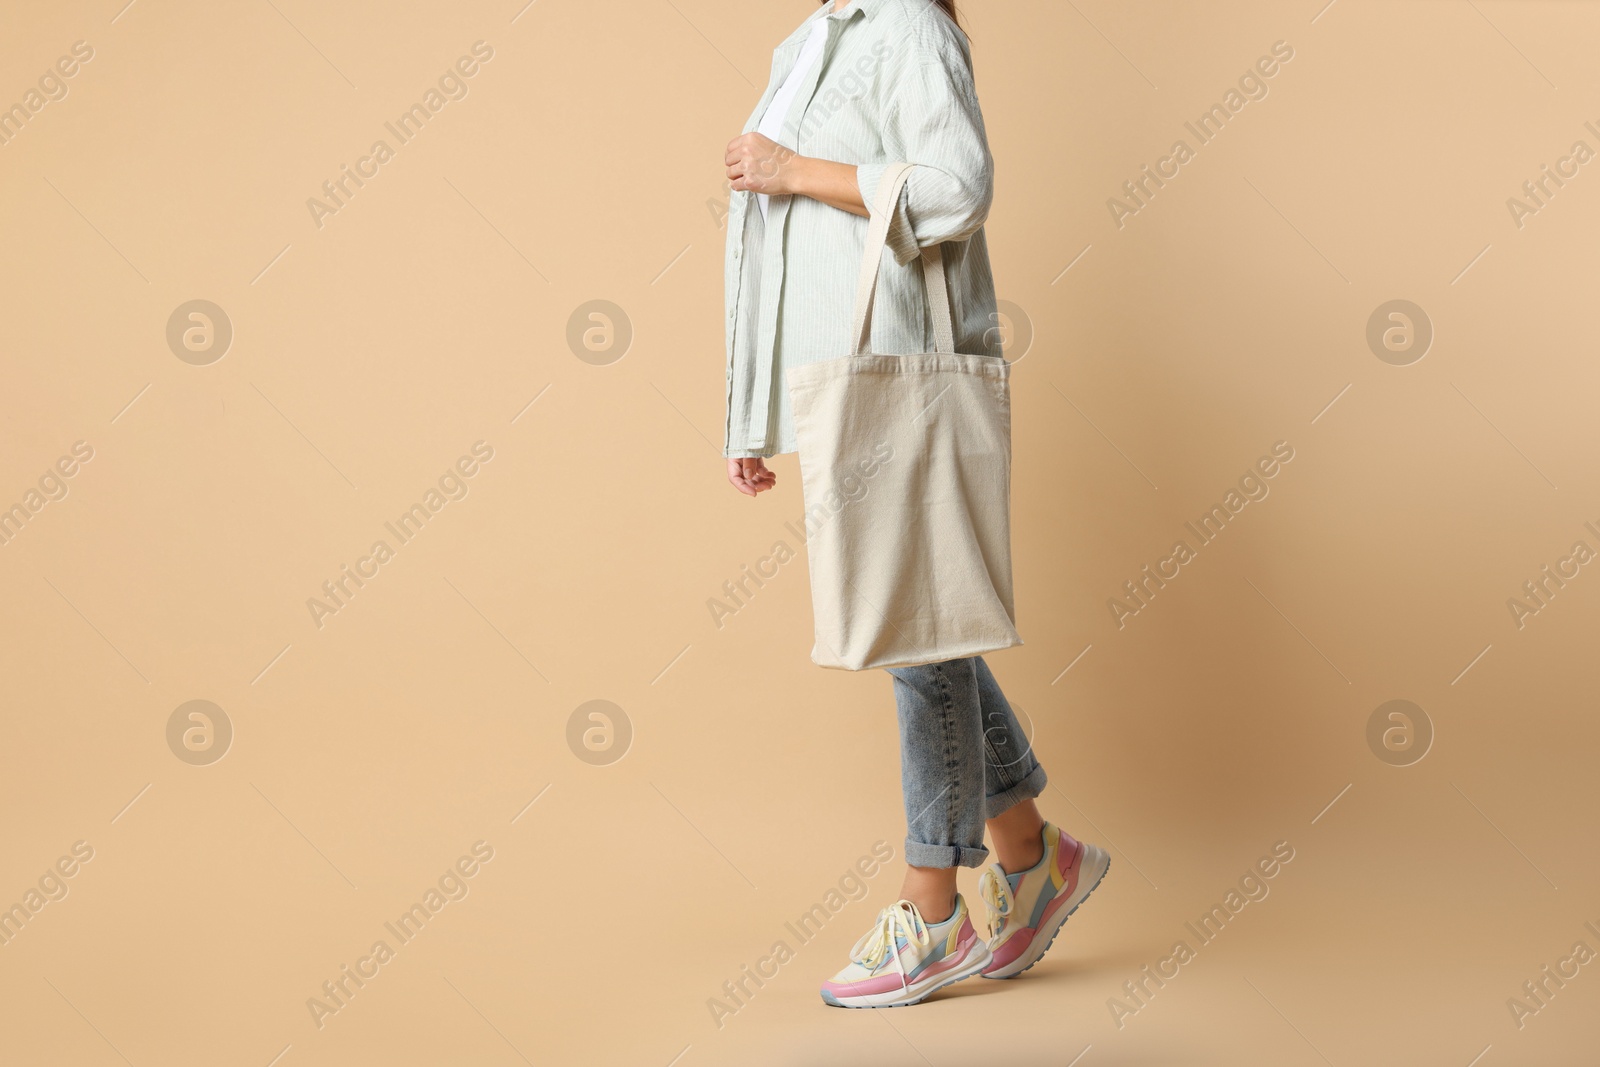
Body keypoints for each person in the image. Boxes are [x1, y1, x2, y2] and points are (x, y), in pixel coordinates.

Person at [721, 0, 1109, 1009]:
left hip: (898, 360)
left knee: (916, 635)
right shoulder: (809, 40)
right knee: (917, 627)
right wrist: (751, 410)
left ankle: (931, 903)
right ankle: (1030, 853)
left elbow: (955, 190)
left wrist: (791, 167)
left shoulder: (909, 29)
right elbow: (770, 243)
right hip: (835, 377)